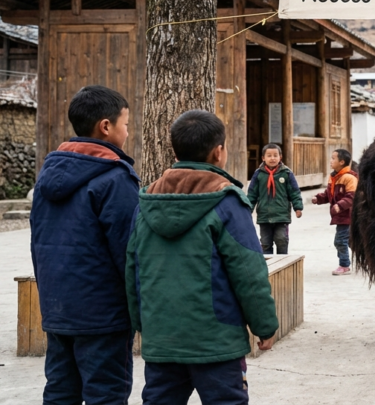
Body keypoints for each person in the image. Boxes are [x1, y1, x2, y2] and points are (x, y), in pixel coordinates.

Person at [126, 110, 279, 403]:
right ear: (218, 152)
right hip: (217, 342)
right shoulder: (227, 202)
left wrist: (143, 325)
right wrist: (264, 325)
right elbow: (249, 271)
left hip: (163, 339)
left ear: (175, 151)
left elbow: (132, 268)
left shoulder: (146, 203)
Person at [30, 85, 139, 404]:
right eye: (125, 124)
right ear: (106, 126)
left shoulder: (47, 175)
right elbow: (129, 252)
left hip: (57, 309)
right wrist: (141, 308)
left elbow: (38, 243)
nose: (127, 132)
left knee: (60, 391)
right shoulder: (115, 178)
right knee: (106, 393)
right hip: (104, 316)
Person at [247, 143, 303, 255]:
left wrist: (298, 207)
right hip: (264, 216)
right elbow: (252, 194)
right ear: (263, 158)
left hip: (281, 215)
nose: (272, 158)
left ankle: (283, 262)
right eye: (269, 155)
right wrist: (248, 210)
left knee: (282, 240)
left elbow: (294, 191)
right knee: (265, 243)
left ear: (280, 157)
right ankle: (269, 265)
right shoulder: (258, 174)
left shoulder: (286, 173)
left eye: (275, 155)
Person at [312, 148, 358, 275]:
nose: (330, 161)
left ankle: (344, 265)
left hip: (348, 216)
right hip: (340, 216)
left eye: (333, 158)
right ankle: (366, 260)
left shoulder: (349, 178)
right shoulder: (333, 177)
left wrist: (340, 205)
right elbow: (328, 194)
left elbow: (352, 196)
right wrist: (318, 198)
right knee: (350, 241)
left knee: (340, 241)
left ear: (342, 162)